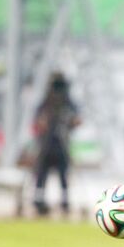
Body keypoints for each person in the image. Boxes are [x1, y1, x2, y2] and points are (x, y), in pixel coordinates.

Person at [32, 72, 81, 215]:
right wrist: (42, 123)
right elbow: (37, 122)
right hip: (46, 145)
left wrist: (70, 122)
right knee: (41, 175)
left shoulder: (68, 103)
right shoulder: (45, 103)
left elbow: (77, 120)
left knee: (63, 176)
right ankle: (39, 201)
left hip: (62, 145)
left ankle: (65, 202)